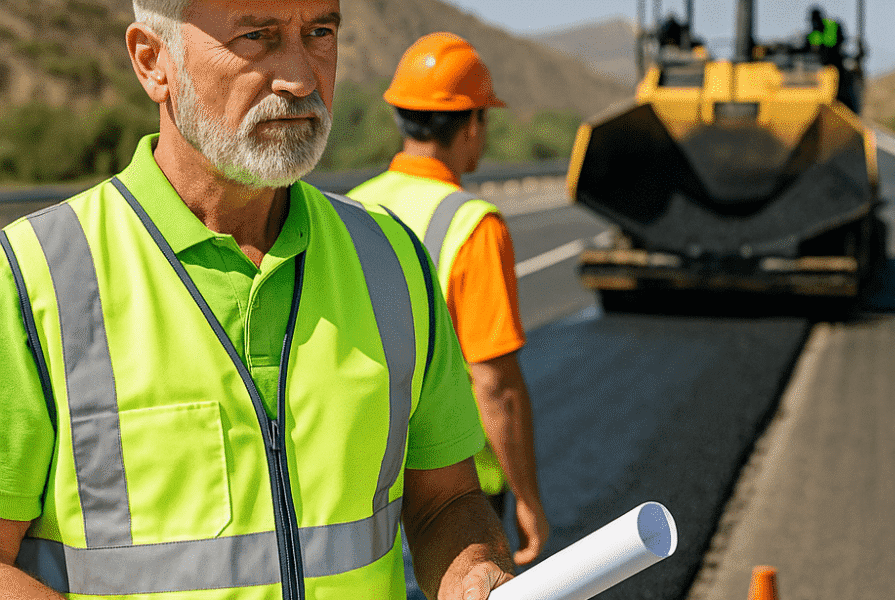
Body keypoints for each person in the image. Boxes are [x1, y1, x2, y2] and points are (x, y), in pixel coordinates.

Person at [0, 2, 515, 599]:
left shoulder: (393, 263)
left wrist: (473, 570)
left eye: (319, 32)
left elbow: (446, 499)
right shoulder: (32, 279)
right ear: (152, 61)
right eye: (257, 37)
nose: (299, 77)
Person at [349, 33, 550, 567]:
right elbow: (495, 386)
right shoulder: (473, 225)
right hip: (459, 495)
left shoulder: (348, 210)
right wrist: (527, 499)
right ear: (472, 122)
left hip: (362, 485)